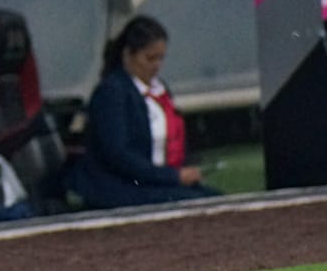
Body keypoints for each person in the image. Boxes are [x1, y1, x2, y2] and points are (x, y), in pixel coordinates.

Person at [65, 15, 219, 209]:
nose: (156, 65)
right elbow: (118, 154)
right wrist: (172, 176)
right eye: (149, 58)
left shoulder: (159, 89)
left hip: (157, 181)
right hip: (123, 187)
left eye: (161, 58)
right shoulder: (112, 92)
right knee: (199, 204)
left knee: (218, 199)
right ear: (128, 55)